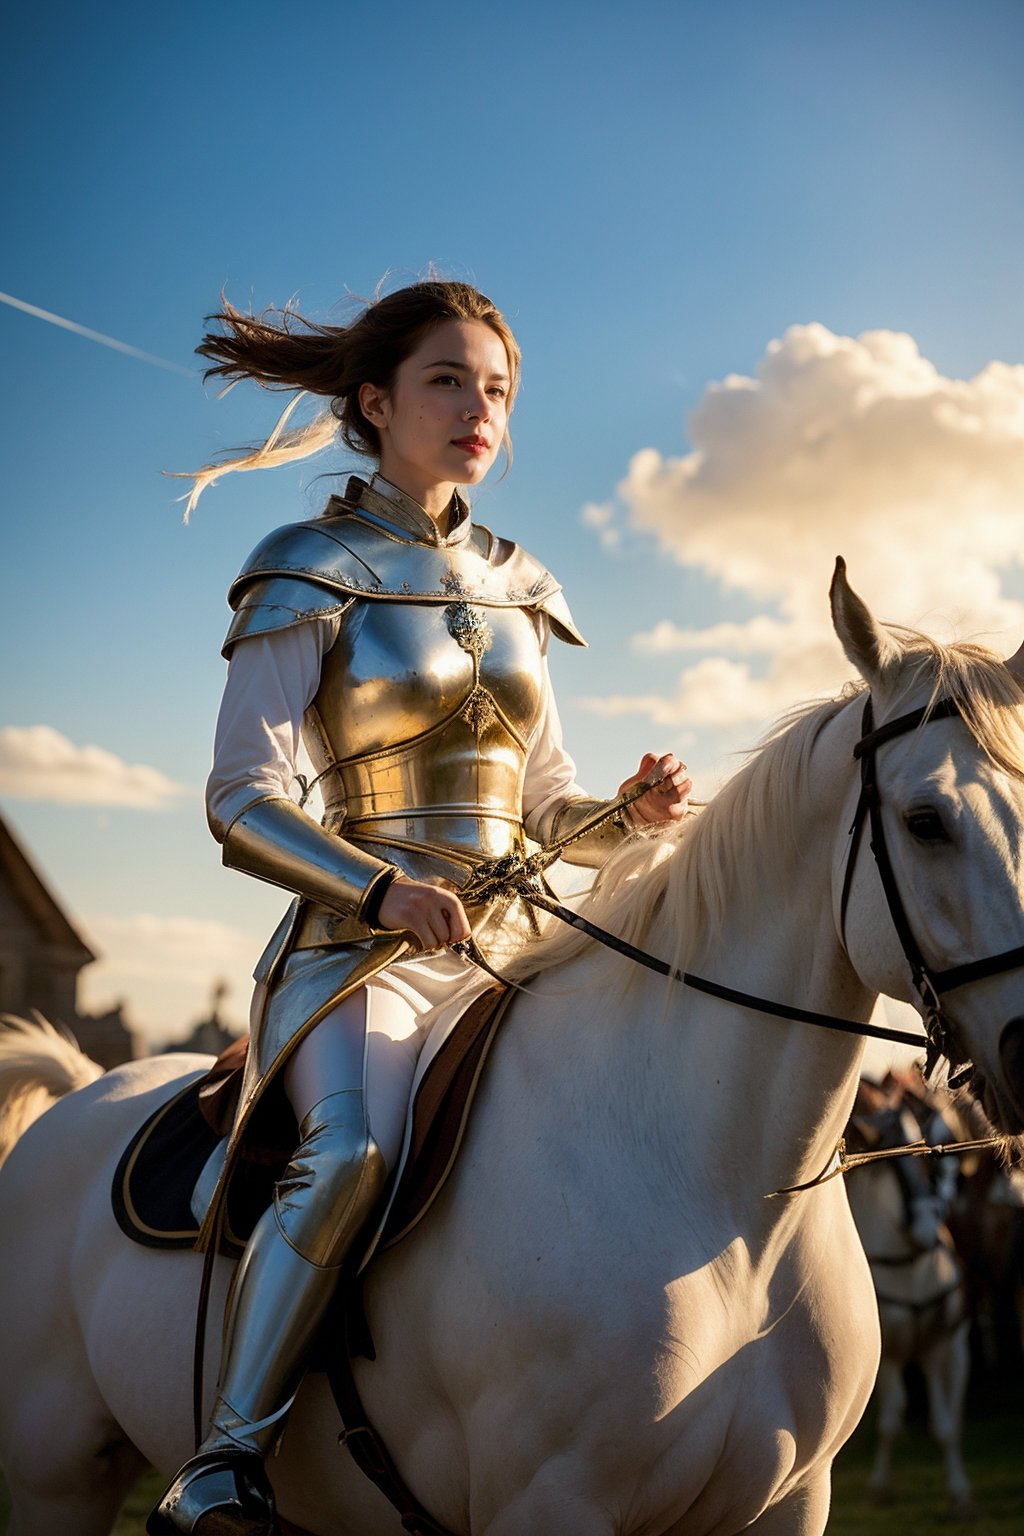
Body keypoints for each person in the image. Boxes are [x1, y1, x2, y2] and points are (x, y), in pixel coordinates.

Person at [149, 280, 691, 1536]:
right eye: (450, 381)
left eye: (496, 389)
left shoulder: (521, 583)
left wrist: (625, 816)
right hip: (359, 959)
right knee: (352, 1152)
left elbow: (546, 810)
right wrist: (383, 887)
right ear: (377, 401)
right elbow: (240, 796)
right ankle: (221, 1462)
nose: (479, 410)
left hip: (519, 951)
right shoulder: (302, 569)